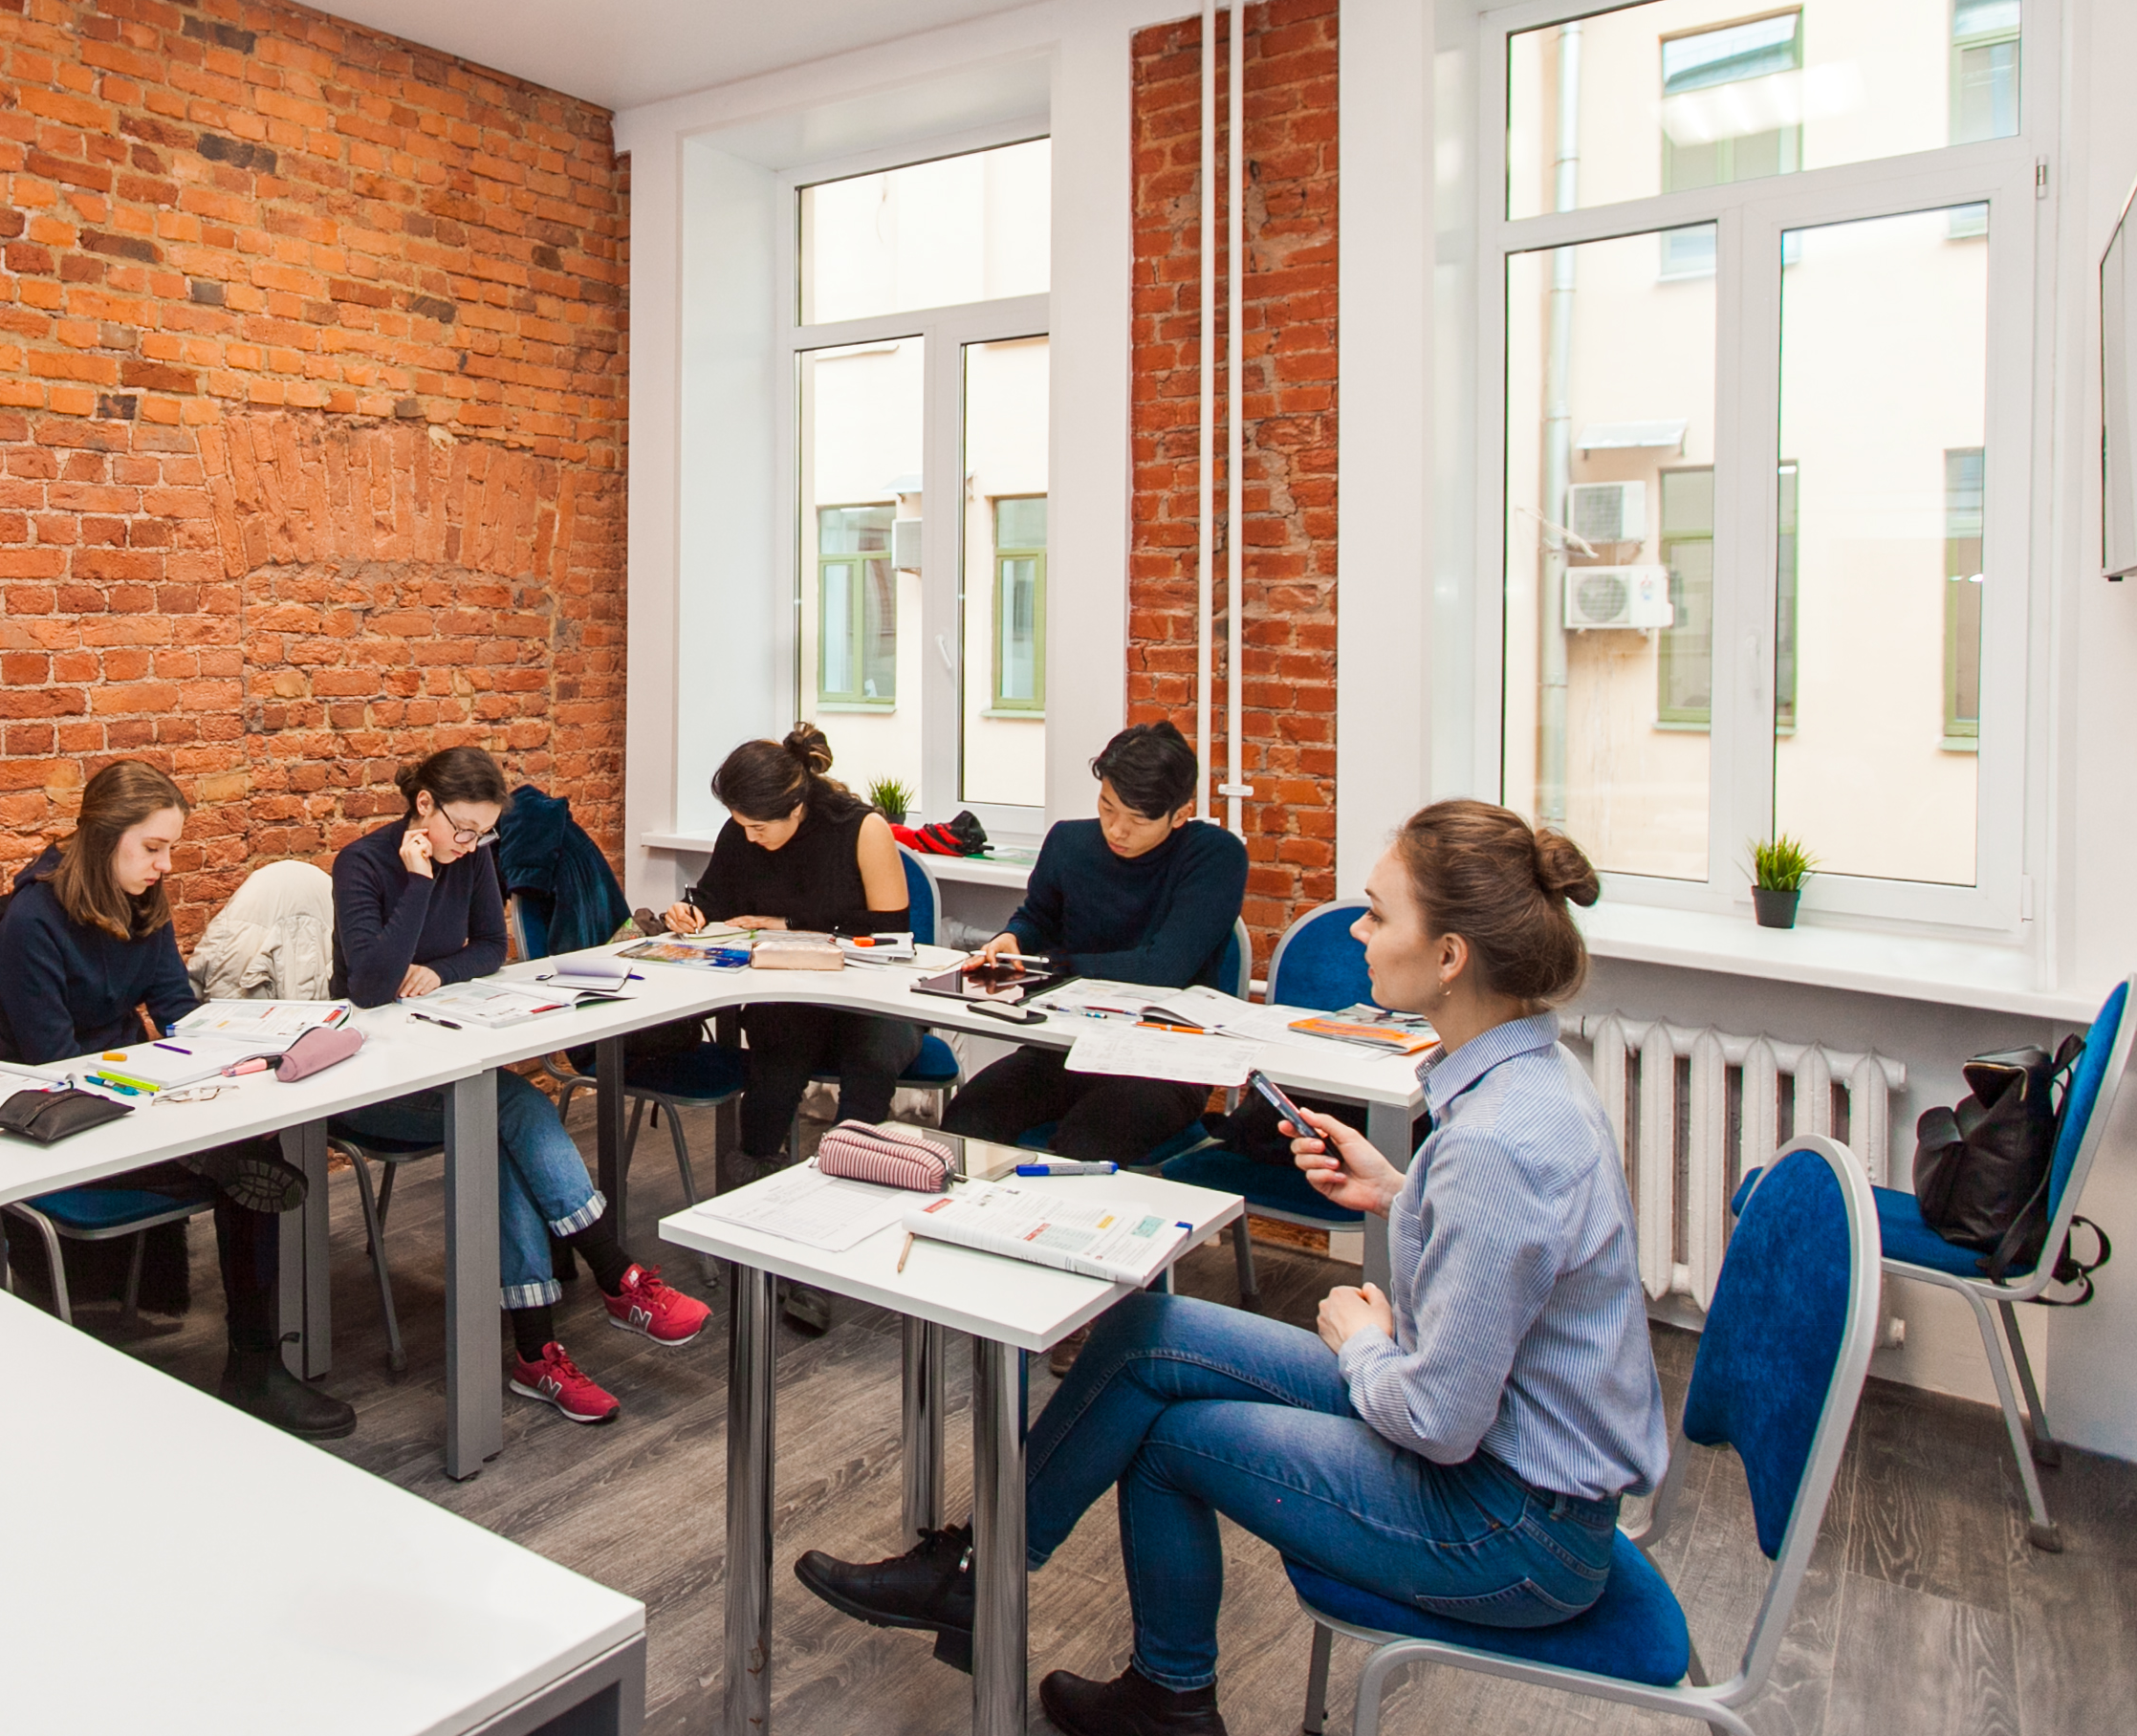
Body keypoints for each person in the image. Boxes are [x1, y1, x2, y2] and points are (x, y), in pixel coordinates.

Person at [794, 802, 1665, 1736]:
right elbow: (1502, 1264)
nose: (1359, 936)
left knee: (1167, 1443)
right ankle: (990, 1583)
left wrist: (1359, 1343)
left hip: (1505, 1529)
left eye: (1375, 915)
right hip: (1504, 1463)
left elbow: (1438, 1422)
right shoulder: (1527, 1079)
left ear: (1449, 957)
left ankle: (1146, 1685)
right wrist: (1394, 1192)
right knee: (1145, 1332)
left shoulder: (1497, 1139)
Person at [333, 745, 710, 1423]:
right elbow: (366, 982)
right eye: (464, 829)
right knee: (517, 1105)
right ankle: (614, 1274)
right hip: (377, 1083)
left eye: (484, 833)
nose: (474, 845)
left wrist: (440, 972)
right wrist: (417, 883)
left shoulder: (476, 857)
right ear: (424, 808)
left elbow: (488, 948)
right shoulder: (361, 864)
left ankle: (538, 1357)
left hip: (452, 1061)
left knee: (500, 1121)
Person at [0, 759, 359, 1443]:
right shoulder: (29, 924)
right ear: (105, 838)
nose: (163, 866)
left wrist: (249, 1038)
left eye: (169, 850)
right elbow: (54, 1061)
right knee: (243, 1167)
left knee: (254, 1145)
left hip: (136, 1096)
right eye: (152, 848)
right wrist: (158, 1088)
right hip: (60, 1118)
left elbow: (173, 1008)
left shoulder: (140, 905)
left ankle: (255, 1363)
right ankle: (251, 1350)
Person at [938, 722, 1249, 1165]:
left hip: (1166, 1061)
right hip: (1067, 1045)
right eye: (1107, 807)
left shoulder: (1215, 856)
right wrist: (1013, 938)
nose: (1116, 830)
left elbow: (1163, 969)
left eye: (1137, 819)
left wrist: (1047, 964)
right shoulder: (1069, 841)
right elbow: (1037, 917)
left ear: (1179, 815)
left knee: (1088, 1142)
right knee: (970, 1115)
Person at [662, 724, 919, 1173]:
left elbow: (890, 937)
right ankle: (754, 1182)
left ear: (796, 807)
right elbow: (714, 898)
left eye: (758, 828)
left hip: (875, 1002)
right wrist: (690, 912)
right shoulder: (745, 828)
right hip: (792, 1000)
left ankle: (849, 1181)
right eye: (742, 825)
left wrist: (792, 925)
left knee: (869, 1064)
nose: (749, 838)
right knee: (775, 1062)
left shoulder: (861, 829)